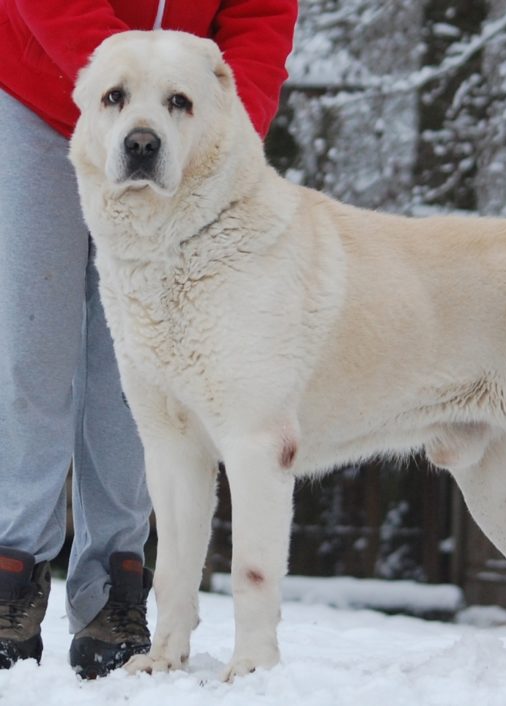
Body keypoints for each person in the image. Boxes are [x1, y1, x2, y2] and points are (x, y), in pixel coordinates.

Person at [0, 0, 297, 678]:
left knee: (140, 366)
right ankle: (11, 568)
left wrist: (217, 123)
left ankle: (113, 583)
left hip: (172, 126)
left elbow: (262, 16)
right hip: (37, 102)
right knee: (29, 346)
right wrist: (130, 83)